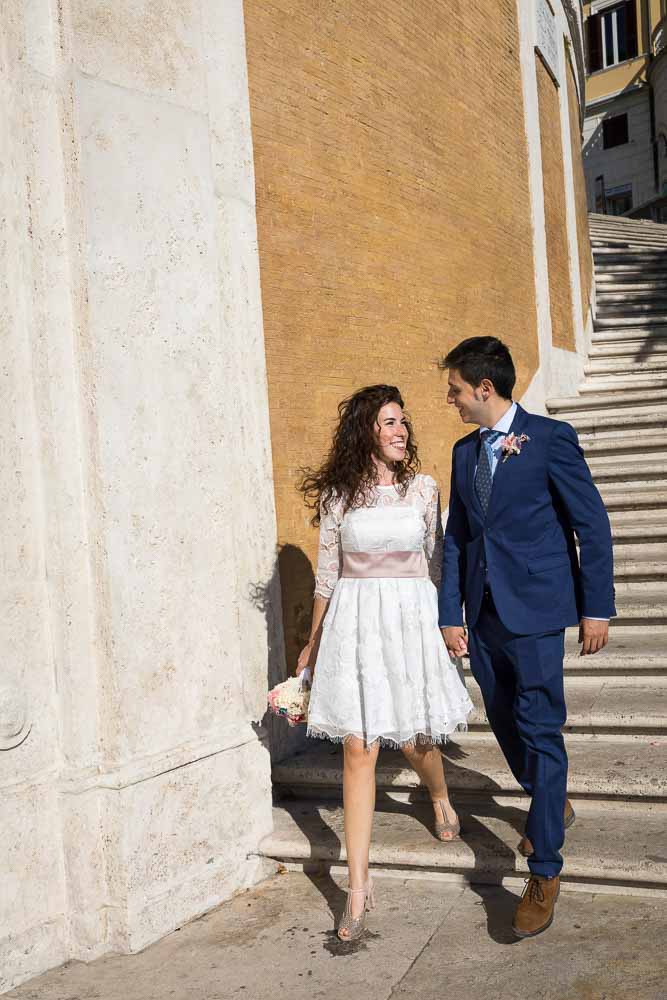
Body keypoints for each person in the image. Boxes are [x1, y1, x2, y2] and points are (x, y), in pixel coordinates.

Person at [439, 336, 615, 939]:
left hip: (538, 611)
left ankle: (544, 868)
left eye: (457, 390)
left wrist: (597, 608)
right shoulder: (464, 454)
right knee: (506, 721)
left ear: (485, 388)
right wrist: (450, 613)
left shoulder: (549, 441)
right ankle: (550, 797)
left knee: (540, 726)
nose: (452, 399)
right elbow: (457, 537)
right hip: (484, 615)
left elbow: (590, 523)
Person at [297, 384, 473, 942]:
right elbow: (328, 575)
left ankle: (439, 795)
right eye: (389, 422)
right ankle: (357, 888)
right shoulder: (338, 499)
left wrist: (448, 625)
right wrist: (313, 639)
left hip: (409, 620)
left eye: (403, 421)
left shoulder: (423, 490)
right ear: (365, 432)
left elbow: (437, 563)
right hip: (354, 623)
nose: (400, 431)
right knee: (358, 746)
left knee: (414, 740)